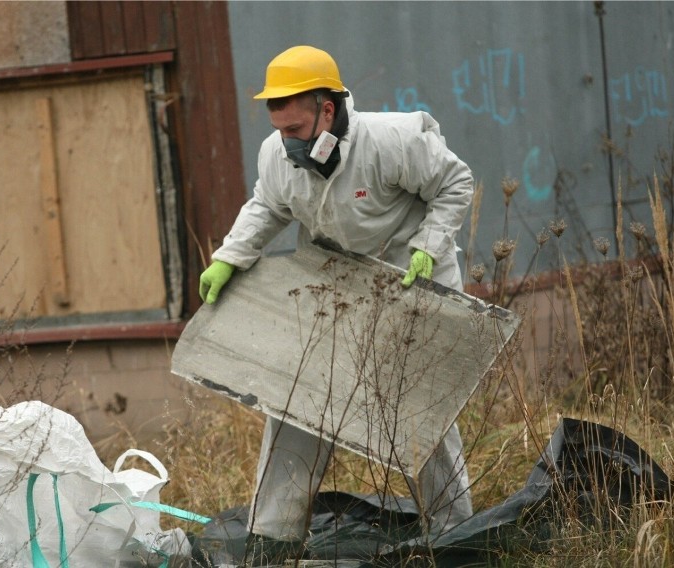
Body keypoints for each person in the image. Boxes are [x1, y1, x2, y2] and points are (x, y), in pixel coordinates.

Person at [199, 45, 475, 565]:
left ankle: (456, 536)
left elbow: (455, 183)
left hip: (413, 284)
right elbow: (265, 205)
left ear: (328, 110)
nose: (289, 142)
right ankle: (271, 539)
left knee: (420, 412)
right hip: (339, 293)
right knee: (298, 399)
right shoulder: (277, 155)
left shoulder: (392, 141)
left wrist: (427, 249)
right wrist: (230, 257)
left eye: (297, 129)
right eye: (280, 129)